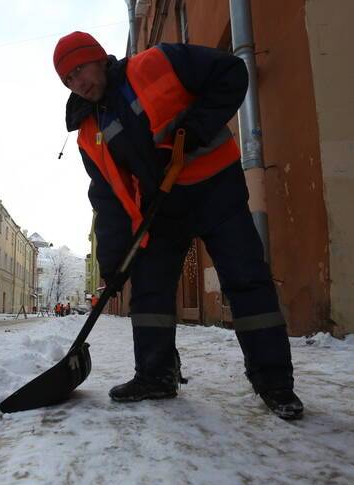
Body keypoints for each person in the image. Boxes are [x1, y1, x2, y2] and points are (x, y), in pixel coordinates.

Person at [53, 32, 303, 420]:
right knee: (149, 292)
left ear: (99, 58)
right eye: (67, 79)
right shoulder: (88, 132)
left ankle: (274, 382)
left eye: (80, 69)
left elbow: (231, 72)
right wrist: (114, 262)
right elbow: (108, 198)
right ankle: (156, 375)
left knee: (246, 279)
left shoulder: (155, 63)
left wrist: (196, 126)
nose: (77, 83)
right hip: (162, 209)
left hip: (214, 188)